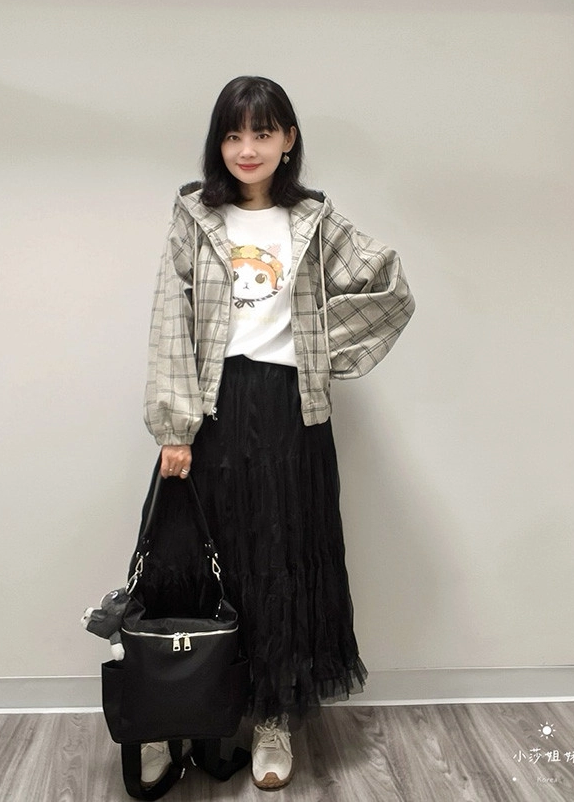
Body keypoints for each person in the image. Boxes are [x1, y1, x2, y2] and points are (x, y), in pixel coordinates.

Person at [141, 76, 415, 791]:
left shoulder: (313, 222)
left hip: (292, 411)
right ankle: (180, 711)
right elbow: (171, 321)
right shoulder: (194, 216)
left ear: (288, 140)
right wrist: (175, 428)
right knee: (201, 562)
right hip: (213, 406)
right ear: (218, 144)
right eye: (233, 134)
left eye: (262, 133)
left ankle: (273, 717)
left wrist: (318, 346)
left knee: (283, 559)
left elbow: (389, 286)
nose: (247, 148)